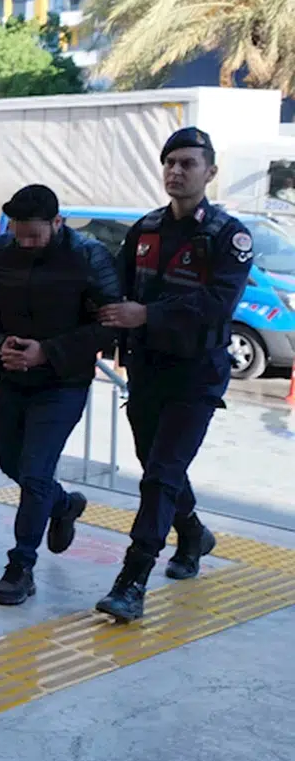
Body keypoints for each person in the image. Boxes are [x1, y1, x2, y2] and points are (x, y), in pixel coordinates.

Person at [95, 127, 253, 621]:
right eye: (170, 163)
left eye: (188, 163)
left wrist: (147, 315)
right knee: (157, 466)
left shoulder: (228, 236)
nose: (176, 171)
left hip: (196, 373)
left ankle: (132, 581)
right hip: (147, 369)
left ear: (210, 172)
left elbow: (217, 303)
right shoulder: (144, 230)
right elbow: (117, 291)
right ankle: (193, 534)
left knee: (161, 475)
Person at [0, 185, 122, 605]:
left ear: (58, 222)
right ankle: (64, 505)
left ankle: (20, 566)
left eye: (35, 236)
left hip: (63, 381)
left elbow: (109, 324)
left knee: (35, 473)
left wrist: (47, 352)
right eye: (19, 235)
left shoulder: (88, 256)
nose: (26, 243)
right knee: (11, 464)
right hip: (13, 376)